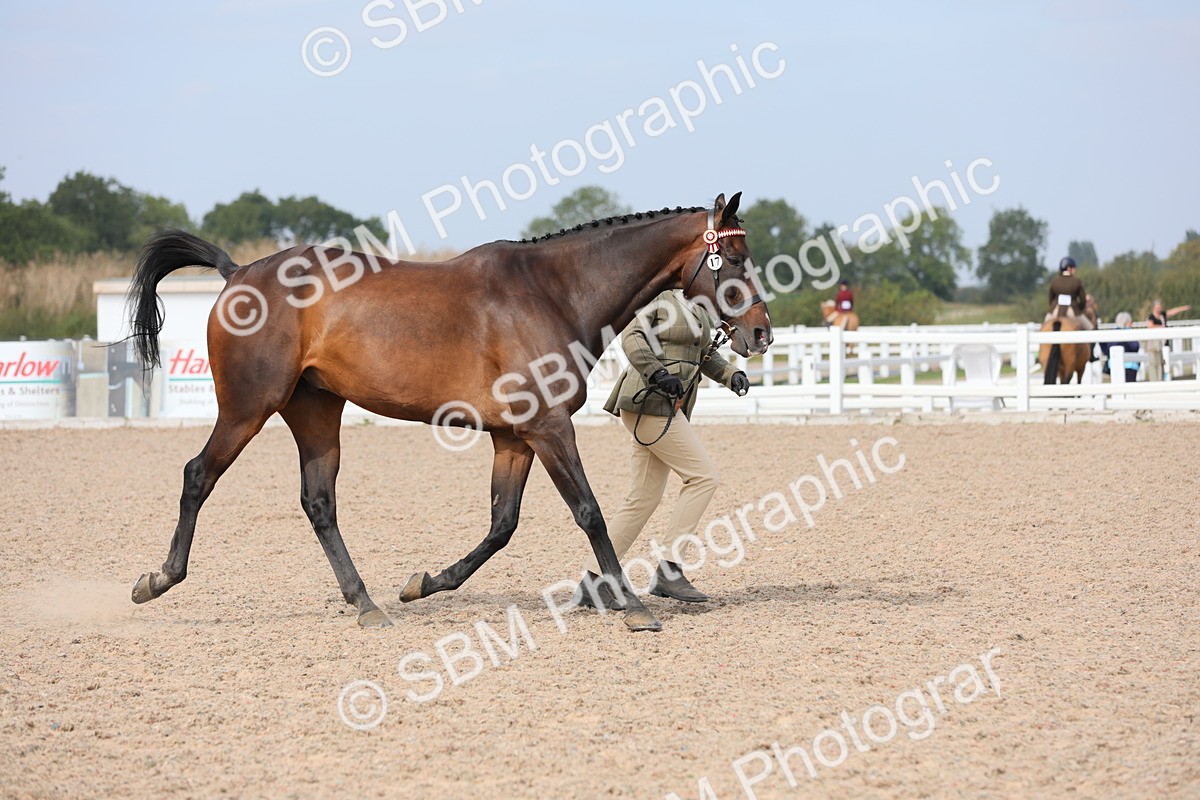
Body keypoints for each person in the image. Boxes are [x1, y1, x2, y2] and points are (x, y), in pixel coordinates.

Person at [573, 288, 749, 610]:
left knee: (643, 498)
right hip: (649, 401)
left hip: (668, 406)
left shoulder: (697, 305)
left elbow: (702, 354)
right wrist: (658, 373)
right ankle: (670, 571)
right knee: (703, 477)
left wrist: (730, 374)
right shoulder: (656, 297)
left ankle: (594, 582)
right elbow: (632, 338)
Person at [1145, 299, 1191, 381]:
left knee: (1164, 360)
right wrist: (1161, 327)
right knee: (1157, 362)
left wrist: (1183, 308)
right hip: (1156, 343)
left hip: (1164, 342)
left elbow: (1173, 311)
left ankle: (1164, 378)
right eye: (1157, 307)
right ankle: (1158, 379)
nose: (1158, 309)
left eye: (1160, 307)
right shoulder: (1151, 317)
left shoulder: (1163, 315)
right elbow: (1150, 326)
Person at [1046, 257, 1094, 330]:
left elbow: (1050, 300)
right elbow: (1083, 301)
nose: (1075, 270)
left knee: (1042, 329)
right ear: (1069, 268)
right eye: (1074, 268)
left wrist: (1053, 308)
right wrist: (1079, 309)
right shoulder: (1077, 281)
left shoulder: (1054, 282)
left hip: (1055, 311)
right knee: (1090, 328)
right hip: (1072, 311)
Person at [1099, 312, 1140, 382]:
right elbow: (1135, 347)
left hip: (1113, 365)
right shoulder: (1128, 333)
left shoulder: (1112, 333)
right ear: (1126, 323)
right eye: (1131, 322)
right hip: (1129, 366)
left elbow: (1105, 347)